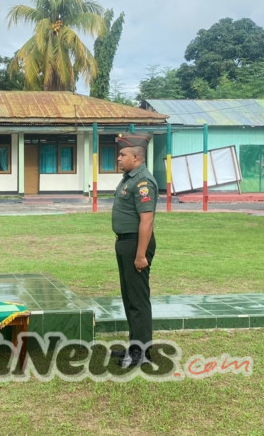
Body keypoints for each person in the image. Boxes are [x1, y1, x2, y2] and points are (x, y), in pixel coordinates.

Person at [110, 133, 158, 368]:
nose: (118, 158)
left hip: (135, 244)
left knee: (138, 300)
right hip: (125, 242)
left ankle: (142, 353)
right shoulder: (129, 178)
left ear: (137, 157)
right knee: (129, 297)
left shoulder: (142, 182)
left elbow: (146, 221)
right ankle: (135, 347)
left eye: (122, 154)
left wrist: (140, 255)